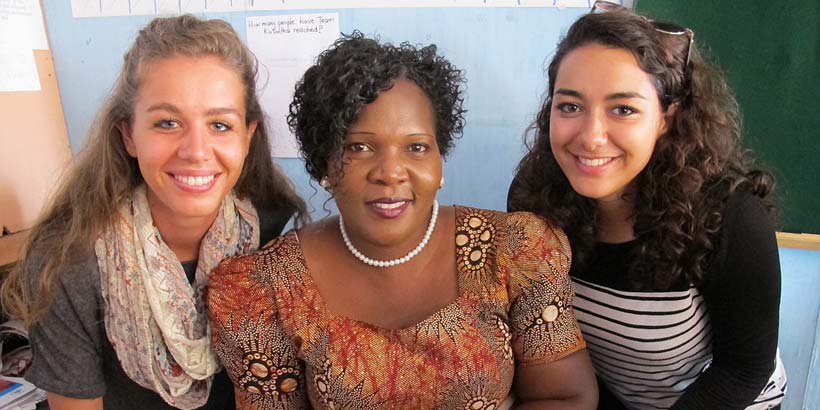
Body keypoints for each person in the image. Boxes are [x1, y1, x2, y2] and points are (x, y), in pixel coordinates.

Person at [207, 32, 598, 409]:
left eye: (416, 147)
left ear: (438, 160)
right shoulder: (267, 289)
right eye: (359, 147)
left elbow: (566, 396)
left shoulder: (514, 252)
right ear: (323, 162)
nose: (391, 173)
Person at [0, 15, 306, 410]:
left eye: (219, 124)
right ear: (129, 134)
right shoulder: (68, 261)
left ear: (247, 136)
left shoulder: (274, 234)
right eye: (167, 122)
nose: (196, 151)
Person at [507, 2, 787, 409]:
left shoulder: (729, 218)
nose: (590, 136)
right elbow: (548, 339)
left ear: (665, 118)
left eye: (623, 109)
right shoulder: (533, 199)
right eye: (570, 106)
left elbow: (742, 370)